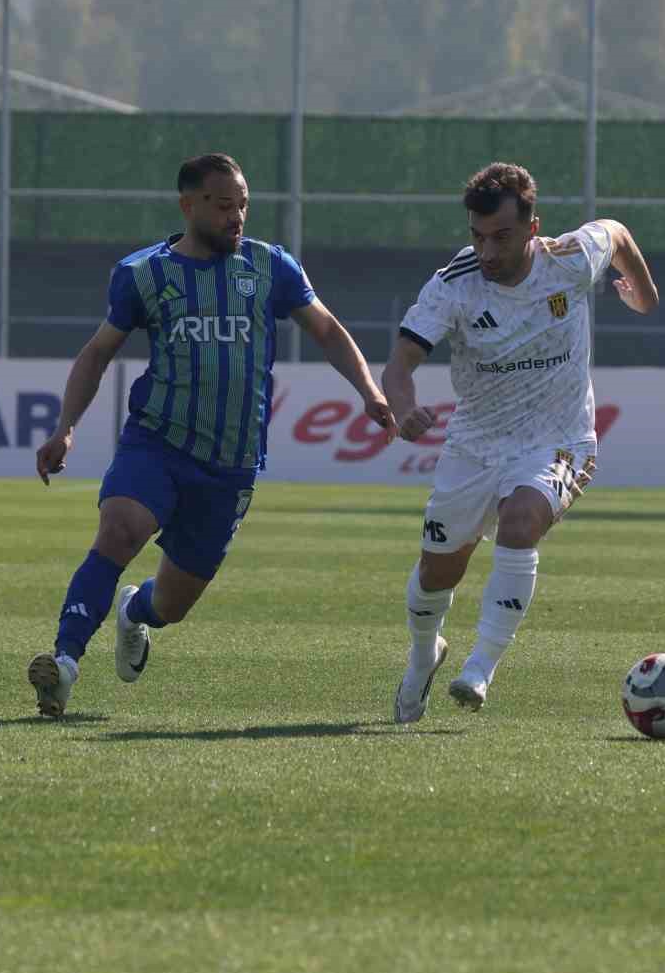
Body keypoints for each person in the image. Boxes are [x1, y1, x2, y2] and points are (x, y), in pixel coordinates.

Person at [28, 151, 395, 718]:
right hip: (157, 441)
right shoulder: (143, 274)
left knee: (171, 604)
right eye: (224, 205)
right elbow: (98, 352)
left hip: (230, 464)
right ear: (188, 205)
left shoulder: (270, 266)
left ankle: (134, 612)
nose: (236, 216)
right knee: (119, 531)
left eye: (243, 204)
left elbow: (327, 330)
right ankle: (64, 665)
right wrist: (65, 428)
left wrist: (369, 391)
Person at [381, 160, 658, 723]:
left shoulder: (569, 261)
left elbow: (617, 233)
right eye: (478, 236)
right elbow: (400, 364)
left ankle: (480, 667)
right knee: (438, 570)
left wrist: (644, 296)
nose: (487, 250)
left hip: (560, 441)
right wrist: (404, 409)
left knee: (520, 521)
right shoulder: (452, 285)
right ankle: (423, 655)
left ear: (534, 228)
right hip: (475, 443)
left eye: (501, 237)